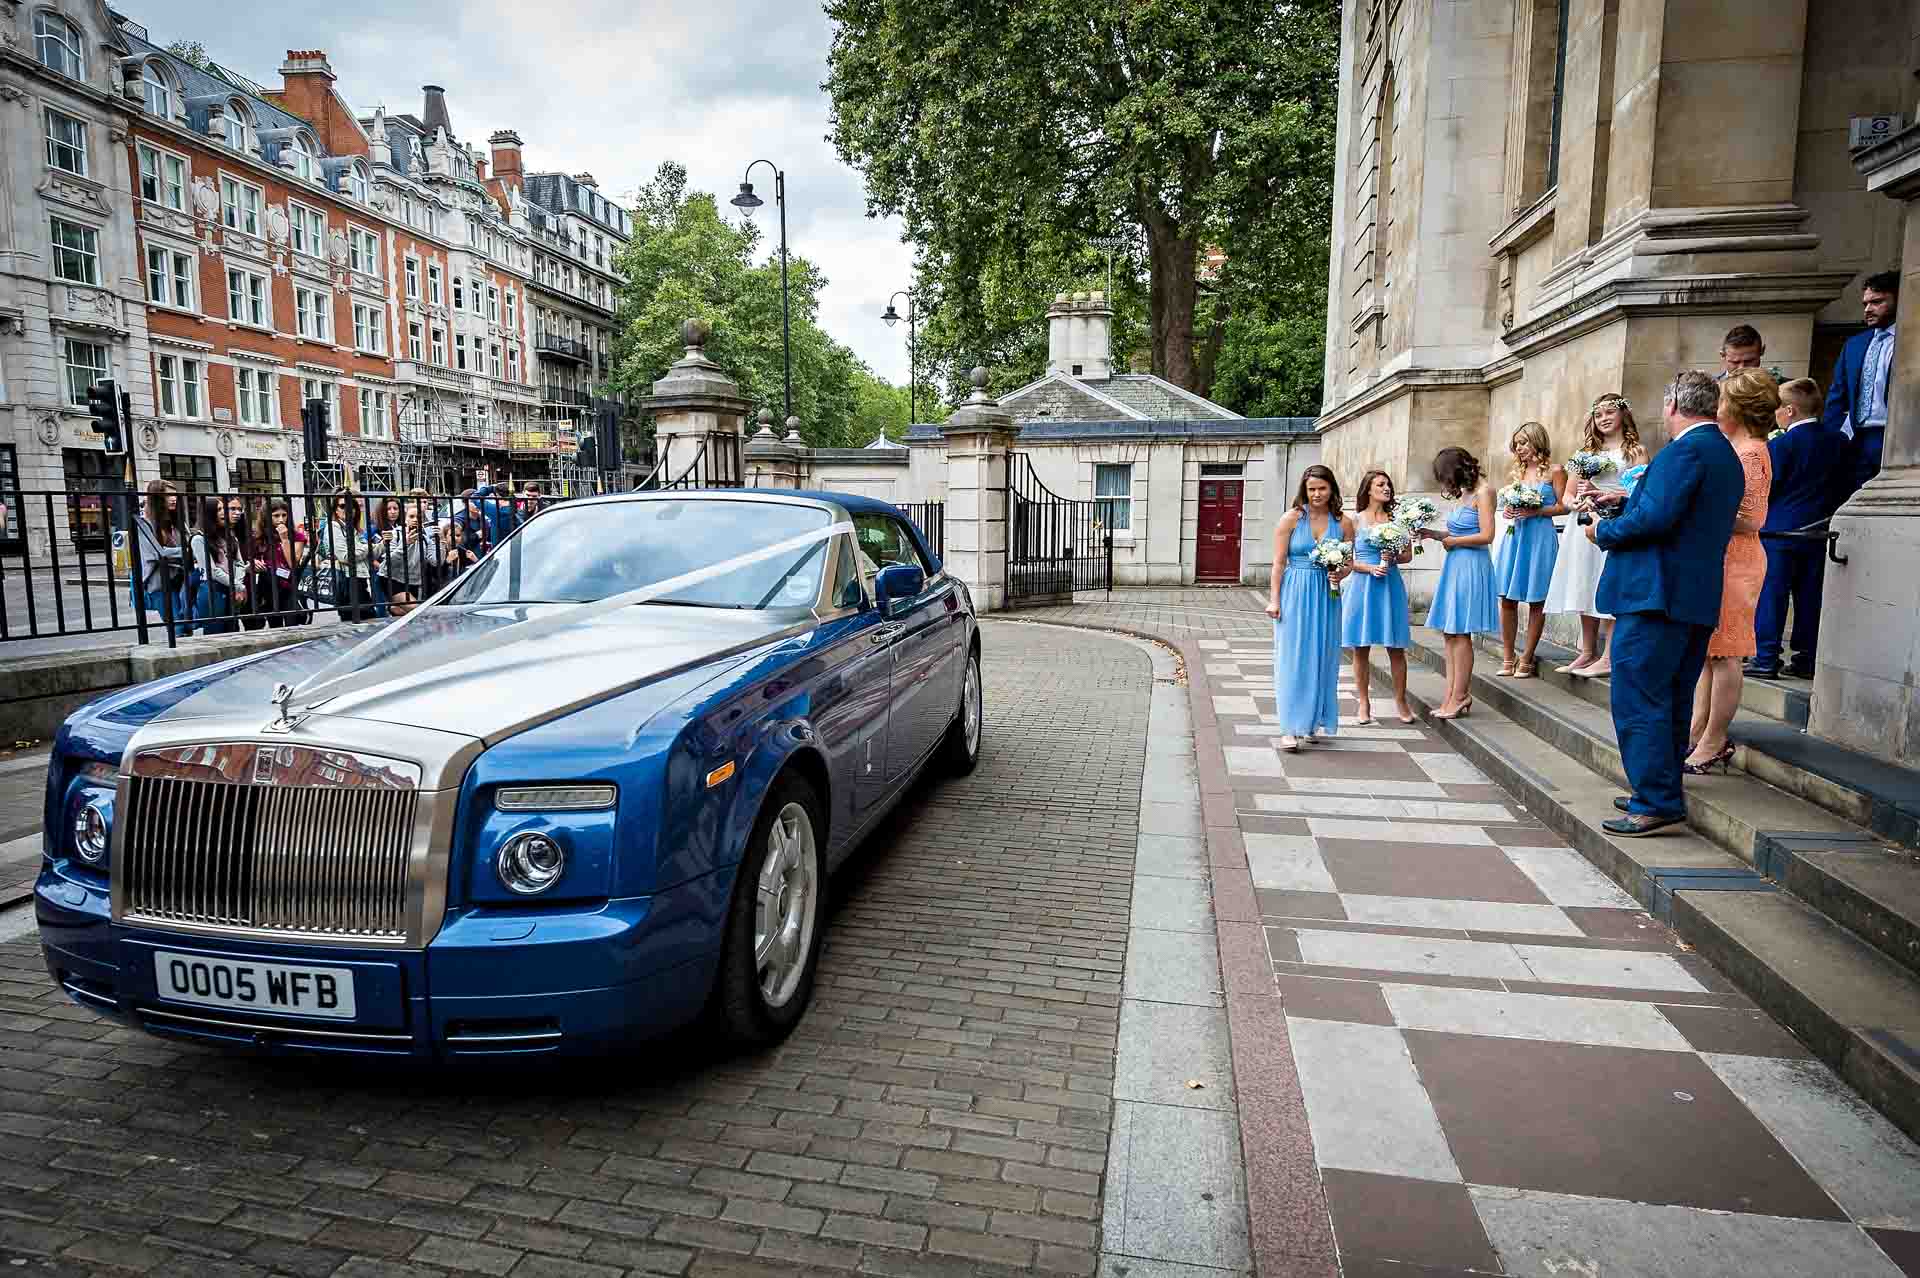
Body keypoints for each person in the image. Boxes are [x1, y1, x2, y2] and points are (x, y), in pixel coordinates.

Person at [1589, 369, 1745, 836]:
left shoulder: (1686, 450)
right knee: (1672, 700)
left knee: (1639, 698)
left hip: (1656, 595)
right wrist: (1627, 497)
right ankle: (1659, 788)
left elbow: (1655, 521)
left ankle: (1654, 800)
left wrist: (1604, 531)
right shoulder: (1722, 453)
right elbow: (1677, 512)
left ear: (1672, 406)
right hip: (1692, 596)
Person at [1684, 370, 1776, 773]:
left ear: (1737, 408)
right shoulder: (1733, 447)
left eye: (1721, 401)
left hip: (1738, 558)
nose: (1716, 408)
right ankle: (1696, 731)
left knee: (1727, 654)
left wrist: (1698, 508)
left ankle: (1715, 738)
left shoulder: (1753, 451)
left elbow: (1753, 517)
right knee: (1709, 652)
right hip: (1718, 556)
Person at [1545, 393, 1645, 677]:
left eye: (1609, 413)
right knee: (1584, 582)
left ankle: (1610, 656)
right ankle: (1587, 651)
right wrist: (1574, 503)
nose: (1603, 419)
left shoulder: (1634, 451)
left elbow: (1639, 492)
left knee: (1608, 581)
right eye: (1598, 415)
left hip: (1615, 519)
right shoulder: (1584, 454)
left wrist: (1611, 496)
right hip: (1583, 522)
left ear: (1623, 415)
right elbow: (1566, 494)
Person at [1265, 464, 1352, 752]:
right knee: (1293, 657)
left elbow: (1349, 561)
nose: (1316, 494)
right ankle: (1290, 727)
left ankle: (1312, 721)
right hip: (1295, 590)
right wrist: (1274, 599)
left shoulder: (1344, 522)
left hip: (1327, 594)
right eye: (1311, 489)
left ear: (1332, 489)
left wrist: (1341, 574)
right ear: (1304, 490)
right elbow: (1278, 563)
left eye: (1322, 488)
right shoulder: (1291, 519)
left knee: (1323, 656)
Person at [1751, 377, 1832, 679]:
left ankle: (1766, 657)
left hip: (1779, 532)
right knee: (1810, 596)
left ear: (1789, 411)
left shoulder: (1780, 445)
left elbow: (1767, 488)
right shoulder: (1837, 441)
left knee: (1772, 595)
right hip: (1820, 532)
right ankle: (1807, 658)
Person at [1421, 447, 1499, 719]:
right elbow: (1455, 533)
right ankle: (1452, 693)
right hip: (1455, 565)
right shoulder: (1465, 494)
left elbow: (1487, 535)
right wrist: (1434, 534)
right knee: (1450, 632)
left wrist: (1453, 542)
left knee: (1461, 631)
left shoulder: (1484, 492)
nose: (1445, 484)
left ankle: (1461, 694)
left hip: (1472, 566)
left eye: (1444, 478)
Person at [1493, 422, 1566, 678]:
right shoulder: (1517, 474)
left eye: (1523, 442)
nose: (1519, 448)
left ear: (1537, 441)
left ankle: (1527, 657)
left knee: (1537, 599)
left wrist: (1537, 510)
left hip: (1540, 537)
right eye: (1517, 444)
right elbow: (1506, 506)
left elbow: (1563, 506)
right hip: (1516, 536)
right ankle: (1508, 655)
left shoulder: (1555, 471)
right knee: (1507, 599)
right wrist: (1509, 510)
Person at [1822, 270, 1899, 508]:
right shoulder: (1855, 344)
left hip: (1895, 437)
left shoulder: (1911, 340)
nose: (1868, 309)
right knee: (1852, 503)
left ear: (1899, 299)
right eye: (1866, 303)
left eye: (1877, 302)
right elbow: (1837, 396)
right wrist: (1833, 437)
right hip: (1858, 439)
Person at [1343, 469, 1415, 724]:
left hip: (1390, 586)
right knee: (1360, 648)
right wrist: (1370, 567)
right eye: (1380, 484)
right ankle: (1363, 703)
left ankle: (1401, 701)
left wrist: (1391, 556)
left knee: (1396, 648)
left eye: (1388, 484)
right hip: (1362, 586)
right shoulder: (1355, 520)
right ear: (1368, 490)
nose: (1386, 488)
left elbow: (1408, 556)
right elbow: (1348, 560)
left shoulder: (1397, 520)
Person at [132, 479, 189, 636]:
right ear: (156, 498)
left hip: (182, 579)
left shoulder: (177, 522)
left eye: (175, 495)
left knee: (187, 626)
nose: (173, 499)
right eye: (167, 496)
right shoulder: (144, 523)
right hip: (159, 582)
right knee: (177, 627)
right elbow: (156, 553)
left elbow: (189, 544)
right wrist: (184, 551)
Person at [318, 487, 376, 622]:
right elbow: (346, 557)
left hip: (358, 578)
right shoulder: (334, 527)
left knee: (365, 619)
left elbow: (365, 553)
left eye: (353, 506)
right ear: (336, 510)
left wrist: (383, 544)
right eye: (343, 506)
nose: (349, 509)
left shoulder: (352, 528)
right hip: (346, 580)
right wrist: (367, 547)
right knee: (358, 620)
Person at [189, 495, 243, 635]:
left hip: (230, 587)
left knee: (233, 631)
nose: (224, 512)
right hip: (212, 589)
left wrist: (237, 583)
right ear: (209, 513)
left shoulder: (230, 536)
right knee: (216, 633)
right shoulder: (199, 539)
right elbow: (211, 570)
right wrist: (237, 584)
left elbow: (239, 563)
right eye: (219, 509)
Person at [382, 490, 442, 616]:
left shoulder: (425, 538)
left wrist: (441, 542)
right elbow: (388, 561)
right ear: (405, 518)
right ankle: (393, 606)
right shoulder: (395, 534)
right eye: (411, 517)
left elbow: (436, 562)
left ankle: (394, 608)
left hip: (414, 582)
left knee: (405, 616)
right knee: (419, 612)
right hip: (394, 580)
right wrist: (406, 543)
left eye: (419, 517)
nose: (415, 520)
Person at [258, 499, 308, 626]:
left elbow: (293, 563)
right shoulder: (260, 537)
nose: (281, 519)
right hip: (268, 584)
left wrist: (284, 539)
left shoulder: (297, 537)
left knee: (292, 620)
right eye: (276, 516)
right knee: (275, 623)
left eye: (284, 515)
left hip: (288, 584)